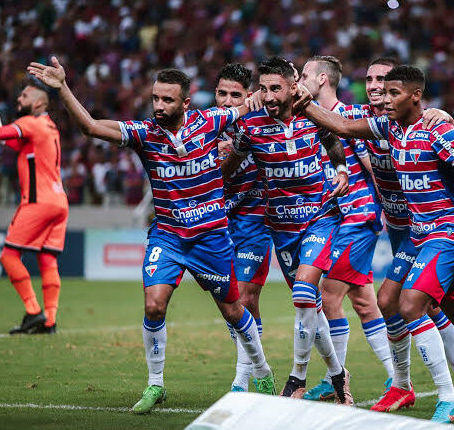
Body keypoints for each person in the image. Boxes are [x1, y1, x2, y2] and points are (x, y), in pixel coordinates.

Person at [28, 57, 276, 414]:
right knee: (153, 304)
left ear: (185, 103)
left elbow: (251, 104)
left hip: (211, 237)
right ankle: (156, 384)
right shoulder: (145, 133)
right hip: (169, 236)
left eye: (167, 100)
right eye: (156, 99)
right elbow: (91, 127)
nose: (159, 106)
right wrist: (63, 87)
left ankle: (262, 370)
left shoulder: (211, 121)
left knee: (235, 311)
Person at [297, 65, 454, 423]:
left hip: (446, 232)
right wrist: (299, 100)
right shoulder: (389, 127)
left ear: (415, 95)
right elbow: (340, 125)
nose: (385, 98)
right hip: (416, 236)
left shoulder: (437, 129)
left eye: (394, 93)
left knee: (411, 304)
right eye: (381, 90)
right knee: (432, 309)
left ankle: (448, 396)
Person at [326, 57, 454, 412]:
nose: (374, 85)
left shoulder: (417, 120)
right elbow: (331, 115)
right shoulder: (366, 117)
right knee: (421, 303)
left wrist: (449, 117)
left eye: (383, 79)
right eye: (368, 78)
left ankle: (449, 383)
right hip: (397, 225)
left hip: (425, 225)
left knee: (410, 302)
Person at [221, 57, 353, 405]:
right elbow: (228, 171)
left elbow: (334, 141)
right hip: (281, 226)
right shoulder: (252, 127)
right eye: (263, 89)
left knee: (303, 295)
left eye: (275, 88)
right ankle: (340, 378)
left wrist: (340, 169)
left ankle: (296, 378)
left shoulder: (312, 114)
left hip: (319, 216)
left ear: (293, 87)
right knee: (311, 306)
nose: (268, 95)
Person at [297, 56, 392, 400]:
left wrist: (388, 215)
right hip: (342, 219)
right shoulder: (312, 121)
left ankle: (337, 375)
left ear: (322, 79)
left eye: (305, 74)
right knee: (364, 301)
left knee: (326, 295)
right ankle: (396, 377)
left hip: (359, 217)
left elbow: (375, 170)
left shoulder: (350, 117)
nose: (300, 79)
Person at [0, 82, 68, 335]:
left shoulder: (33, 123)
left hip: (38, 201)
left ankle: (33, 311)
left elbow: (2, 135)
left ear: (37, 104)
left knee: (8, 256)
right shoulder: (49, 127)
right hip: (59, 202)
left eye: (24, 95)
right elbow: (12, 141)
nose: (19, 99)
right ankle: (50, 321)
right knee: (47, 260)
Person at [214, 63, 274, 392]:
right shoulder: (204, 127)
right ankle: (259, 368)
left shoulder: (260, 121)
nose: (226, 101)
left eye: (234, 95)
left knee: (247, 298)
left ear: (248, 96)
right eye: (221, 93)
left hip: (255, 219)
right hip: (219, 225)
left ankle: (241, 381)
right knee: (232, 303)